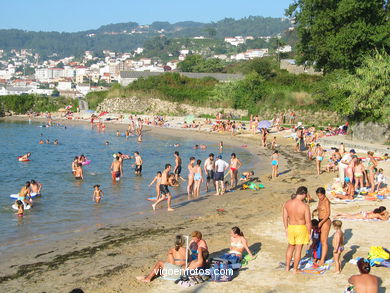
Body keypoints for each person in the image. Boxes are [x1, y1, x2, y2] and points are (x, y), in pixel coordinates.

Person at [283, 186, 311, 273]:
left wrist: (286, 228)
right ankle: (295, 269)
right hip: (301, 227)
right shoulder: (305, 206)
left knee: (290, 247)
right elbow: (308, 221)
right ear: (304, 194)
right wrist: (309, 233)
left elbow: (284, 217)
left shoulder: (287, 203)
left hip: (291, 227)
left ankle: (287, 267)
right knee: (298, 248)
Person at [316, 187, 331, 266]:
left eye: (320, 195)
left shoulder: (326, 201)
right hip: (320, 220)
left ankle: (322, 259)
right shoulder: (320, 200)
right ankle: (319, 256)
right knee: (318, 239)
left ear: (324, 194)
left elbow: (328, 213)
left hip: (325, 221)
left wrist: (321, 222)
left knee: (323, 241)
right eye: (318, 196)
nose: (319, 197)